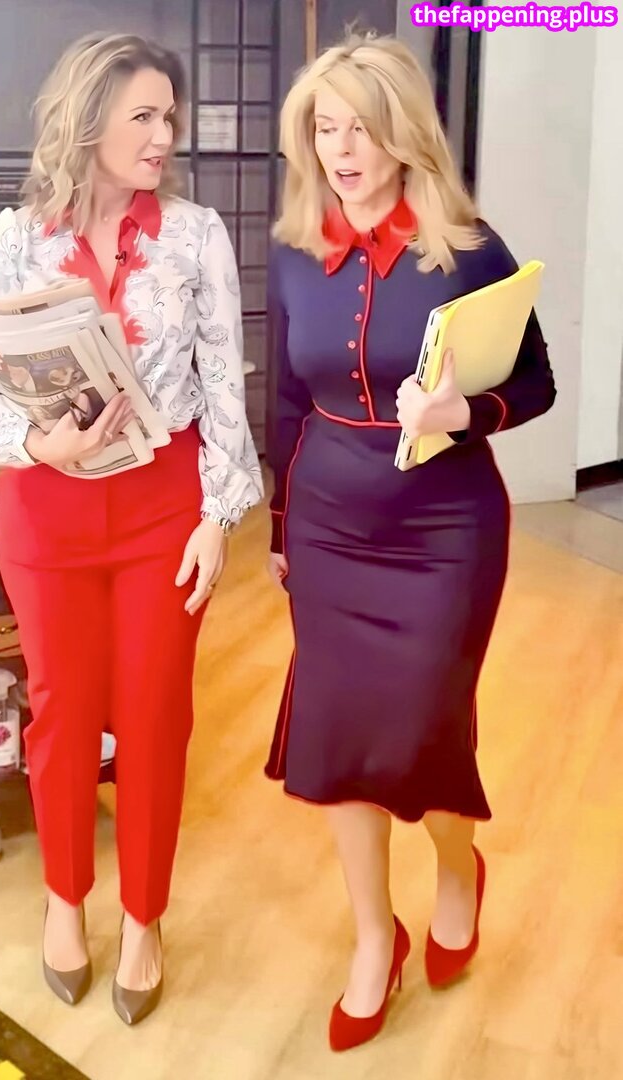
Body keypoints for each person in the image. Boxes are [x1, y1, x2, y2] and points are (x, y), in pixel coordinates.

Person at [0, 32, 263, 1025]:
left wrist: (218, 517)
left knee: (156, 714)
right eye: (144, 116)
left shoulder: (197, 235)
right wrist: (39, 445)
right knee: (62, 712)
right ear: (89, 122)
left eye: (170, 116)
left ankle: (143, 918)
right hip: (46, 507)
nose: (165, 135)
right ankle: (64, 900)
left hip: (162, 505)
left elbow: (224, 387)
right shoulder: (14, 239)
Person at [265, 31, 555, 1052]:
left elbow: (535, 383)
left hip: (444, 531)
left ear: (404, 134)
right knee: (339, 737)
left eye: (361, 127)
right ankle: (370, 939)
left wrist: (463, 413)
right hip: (328, 527)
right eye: (324, 128)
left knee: (426, 730)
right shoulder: (292, 249)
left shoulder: (469, 249)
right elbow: (284, 401)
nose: (342, 149)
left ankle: (458, 869)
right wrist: (280, 529)